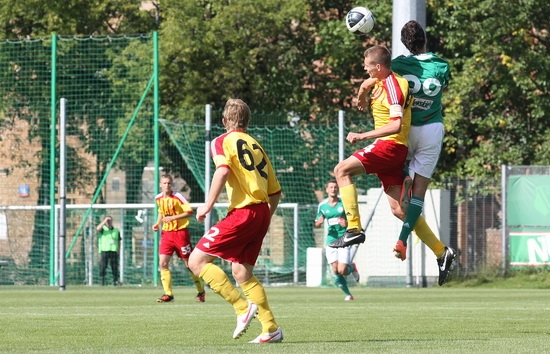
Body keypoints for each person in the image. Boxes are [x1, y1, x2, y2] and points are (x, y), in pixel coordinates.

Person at [188, 98, 283, 344]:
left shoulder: (221, 140)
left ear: (224, 122)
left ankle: (242, 308)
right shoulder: (256, 144)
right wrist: (263, 220)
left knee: (196, 261)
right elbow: (275, 192)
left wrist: (207, 205)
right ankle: (270, 328)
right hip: (262, 212)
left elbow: (222, 170)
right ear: (247, 122)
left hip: (244, 212)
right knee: (241, 272)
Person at [328, 45, 412, 254]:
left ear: (378, 66)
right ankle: (440, 249)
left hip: (390, 145)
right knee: (400, 211)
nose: (365, 70)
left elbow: (396, 125)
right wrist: (362, 92)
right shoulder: (378, 82)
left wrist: (361, 135)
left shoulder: (393, 86)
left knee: (341, 170)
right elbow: (363, 101)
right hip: (392, 149)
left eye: (367, 67)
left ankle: (354, 227)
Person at [390, 20, 456, 285]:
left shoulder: (397, 65)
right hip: (431, 129)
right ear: (425, 39)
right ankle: (403, 240)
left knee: (397, 204)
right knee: (418, 195)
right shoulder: (442, 65)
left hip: (405, 130)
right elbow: (443, 86)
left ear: (405, 43)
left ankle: (404, 174)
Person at [152, 174, 206, 303]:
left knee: (189, 264)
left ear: (172, 184)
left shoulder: (178, 197)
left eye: (169, 183)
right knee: (163, 263)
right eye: (164, 183)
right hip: (166, 234)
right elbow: (161, 211)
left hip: (180, 234)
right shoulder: (158, 198)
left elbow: (189, 212)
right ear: (160, 184)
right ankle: (168, 294)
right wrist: (157, 223)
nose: (167, 185)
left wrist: (173, 218)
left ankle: (201, 291)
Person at [314, 179, 359, 301]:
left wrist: (346, 223)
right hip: (331, 240)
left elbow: (353, 219)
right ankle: (348, 294)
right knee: (335, 270)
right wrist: (319, 222)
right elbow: (317, 223)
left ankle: (352, 267)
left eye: (335, 187)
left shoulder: (343, 204)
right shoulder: (322, 206)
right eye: (331, 187)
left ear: (338, 189)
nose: (333, 189)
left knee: (343, 270)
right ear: (327, 189)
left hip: (344, 239)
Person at [96, 216, 120, 286]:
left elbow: (118, 240)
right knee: (103, 266)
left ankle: (115, 281)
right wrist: (104, 221)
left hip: (113, 250)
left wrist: (118, 250)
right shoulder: (103, 229)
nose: (109, 222)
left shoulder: (116, 230)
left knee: (115, 267)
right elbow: (98, 228)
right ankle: (102, 281)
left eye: (110, 220)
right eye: (107, 221)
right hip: (105, 250)